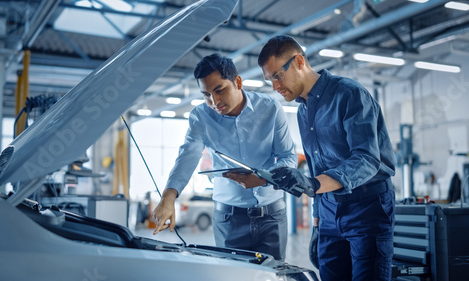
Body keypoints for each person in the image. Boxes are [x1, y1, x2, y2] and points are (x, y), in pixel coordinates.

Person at [258, 35, 397, 280]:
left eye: (277, 75)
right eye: (270, 80)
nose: (275, 87)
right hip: (329, 210)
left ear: (299, 61)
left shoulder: (350, 95)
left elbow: (366, 159)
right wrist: (317, 224)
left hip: (368, 207)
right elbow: (316, 166)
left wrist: (313, 184)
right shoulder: (303, 111)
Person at [152, 53, 297, 261]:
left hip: (272, 217)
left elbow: (288, 159)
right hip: (229, 220)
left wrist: (263, 178)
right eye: (206, 95)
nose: (214, 101)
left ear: (237, 82)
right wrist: (169, 196)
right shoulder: (200, 117)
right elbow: (188, 155)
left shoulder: (270, 109)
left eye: (219, 90)